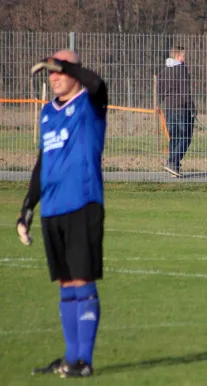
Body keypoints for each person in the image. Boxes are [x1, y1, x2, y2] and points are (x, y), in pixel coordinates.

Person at [16, 50, 107, 378]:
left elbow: (99, 84)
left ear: (74, 72)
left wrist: (68, 65)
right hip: (52, 210)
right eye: (50, 73)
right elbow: (43, 163)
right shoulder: (46, 113)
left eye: (59, 72)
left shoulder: (90, 105)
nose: (53, 78)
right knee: (66, 283)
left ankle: (84, 361)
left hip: (82, 205)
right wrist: (26, 210)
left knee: (82, 279)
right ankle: (70, 357)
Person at [158, 46, 195, 178]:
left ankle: (174, 167)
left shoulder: (164, 70)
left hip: (168, 108)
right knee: (186, 136)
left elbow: (159, 90)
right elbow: (186, 90)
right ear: (178, 56)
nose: (185, 59)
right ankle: (173, 162)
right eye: (184, 56)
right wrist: (191, 107)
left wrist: (164, 102)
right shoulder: (182, 70)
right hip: (181, 107)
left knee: (174, 137)